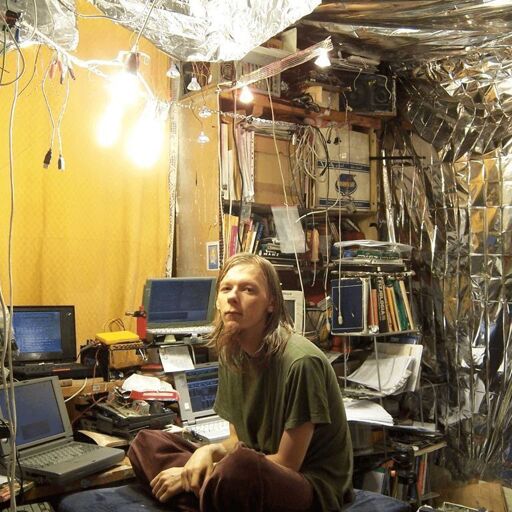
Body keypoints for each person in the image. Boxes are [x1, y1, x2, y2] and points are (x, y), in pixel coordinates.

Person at [128, 253, 353, 511]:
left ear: (271, 303)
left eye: (248, 289)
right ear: (217, 300)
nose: (233, 297)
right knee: (146, 443)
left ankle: (199, 491)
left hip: (308, 486)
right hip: (251, 470)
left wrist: (198, 471)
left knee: (237, 468)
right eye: (226, 288)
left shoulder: (301, 362)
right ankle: (209, 494)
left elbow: (288, 463)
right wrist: (206, 452)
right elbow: (237, 443)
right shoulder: (231, 355)